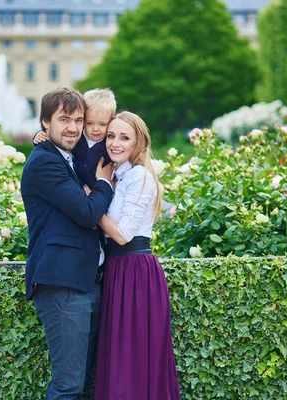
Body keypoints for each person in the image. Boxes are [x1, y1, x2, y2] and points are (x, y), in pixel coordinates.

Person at [21, 87, 114, 399]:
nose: (73, 127)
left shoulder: (69, 156)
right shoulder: (44, 162)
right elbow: (88, 213)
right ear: (46, 122)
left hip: (84, 281)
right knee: (68, 385)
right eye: (64, 119)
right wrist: (103, 183)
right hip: (62, 284)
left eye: (78, 120)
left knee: (81, 383)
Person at [94, 111, 181, 400]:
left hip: (136, 273)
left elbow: (122, 234)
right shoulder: (116, 175)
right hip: (118, 270)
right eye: (111, 136)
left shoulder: (140, 176)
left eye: (124, 137)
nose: (115, 143)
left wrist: (88, 202)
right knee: (118, 357)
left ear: (138, 143)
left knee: (133, 358)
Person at [32, 88, 115, 188]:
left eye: (102, 124)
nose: (95, 129)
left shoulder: (110, 143)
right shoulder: (78, 137)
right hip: (76, 185)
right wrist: (38, 137)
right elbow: (52, 142)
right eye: (89, 123)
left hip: (98, 188)